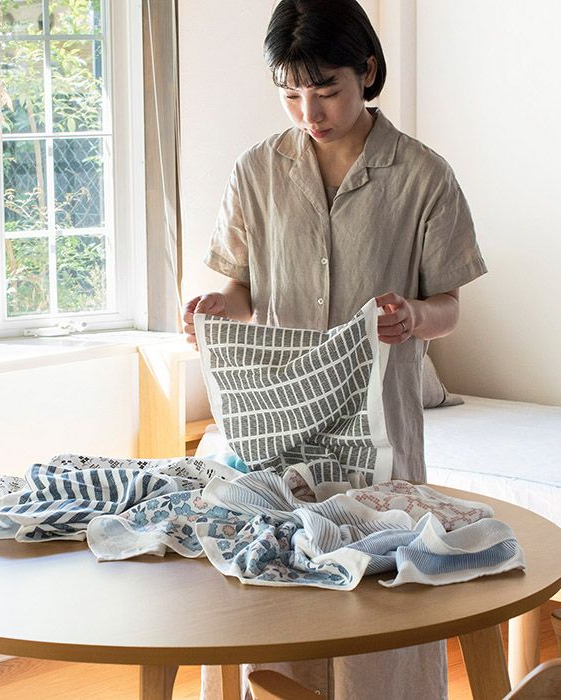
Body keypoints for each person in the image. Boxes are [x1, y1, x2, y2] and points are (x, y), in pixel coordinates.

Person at [182, 0, 486, 698]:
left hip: (379, 431)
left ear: (367, 71)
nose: (308, 112)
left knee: (379, 616)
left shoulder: (423, 175)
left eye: (326, 91)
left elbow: (448, 307)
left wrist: (414, 316)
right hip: (280, 426)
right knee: (277, 603)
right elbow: (241, 289)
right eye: (290, 94)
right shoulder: (256, 171)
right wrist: (215, 308)